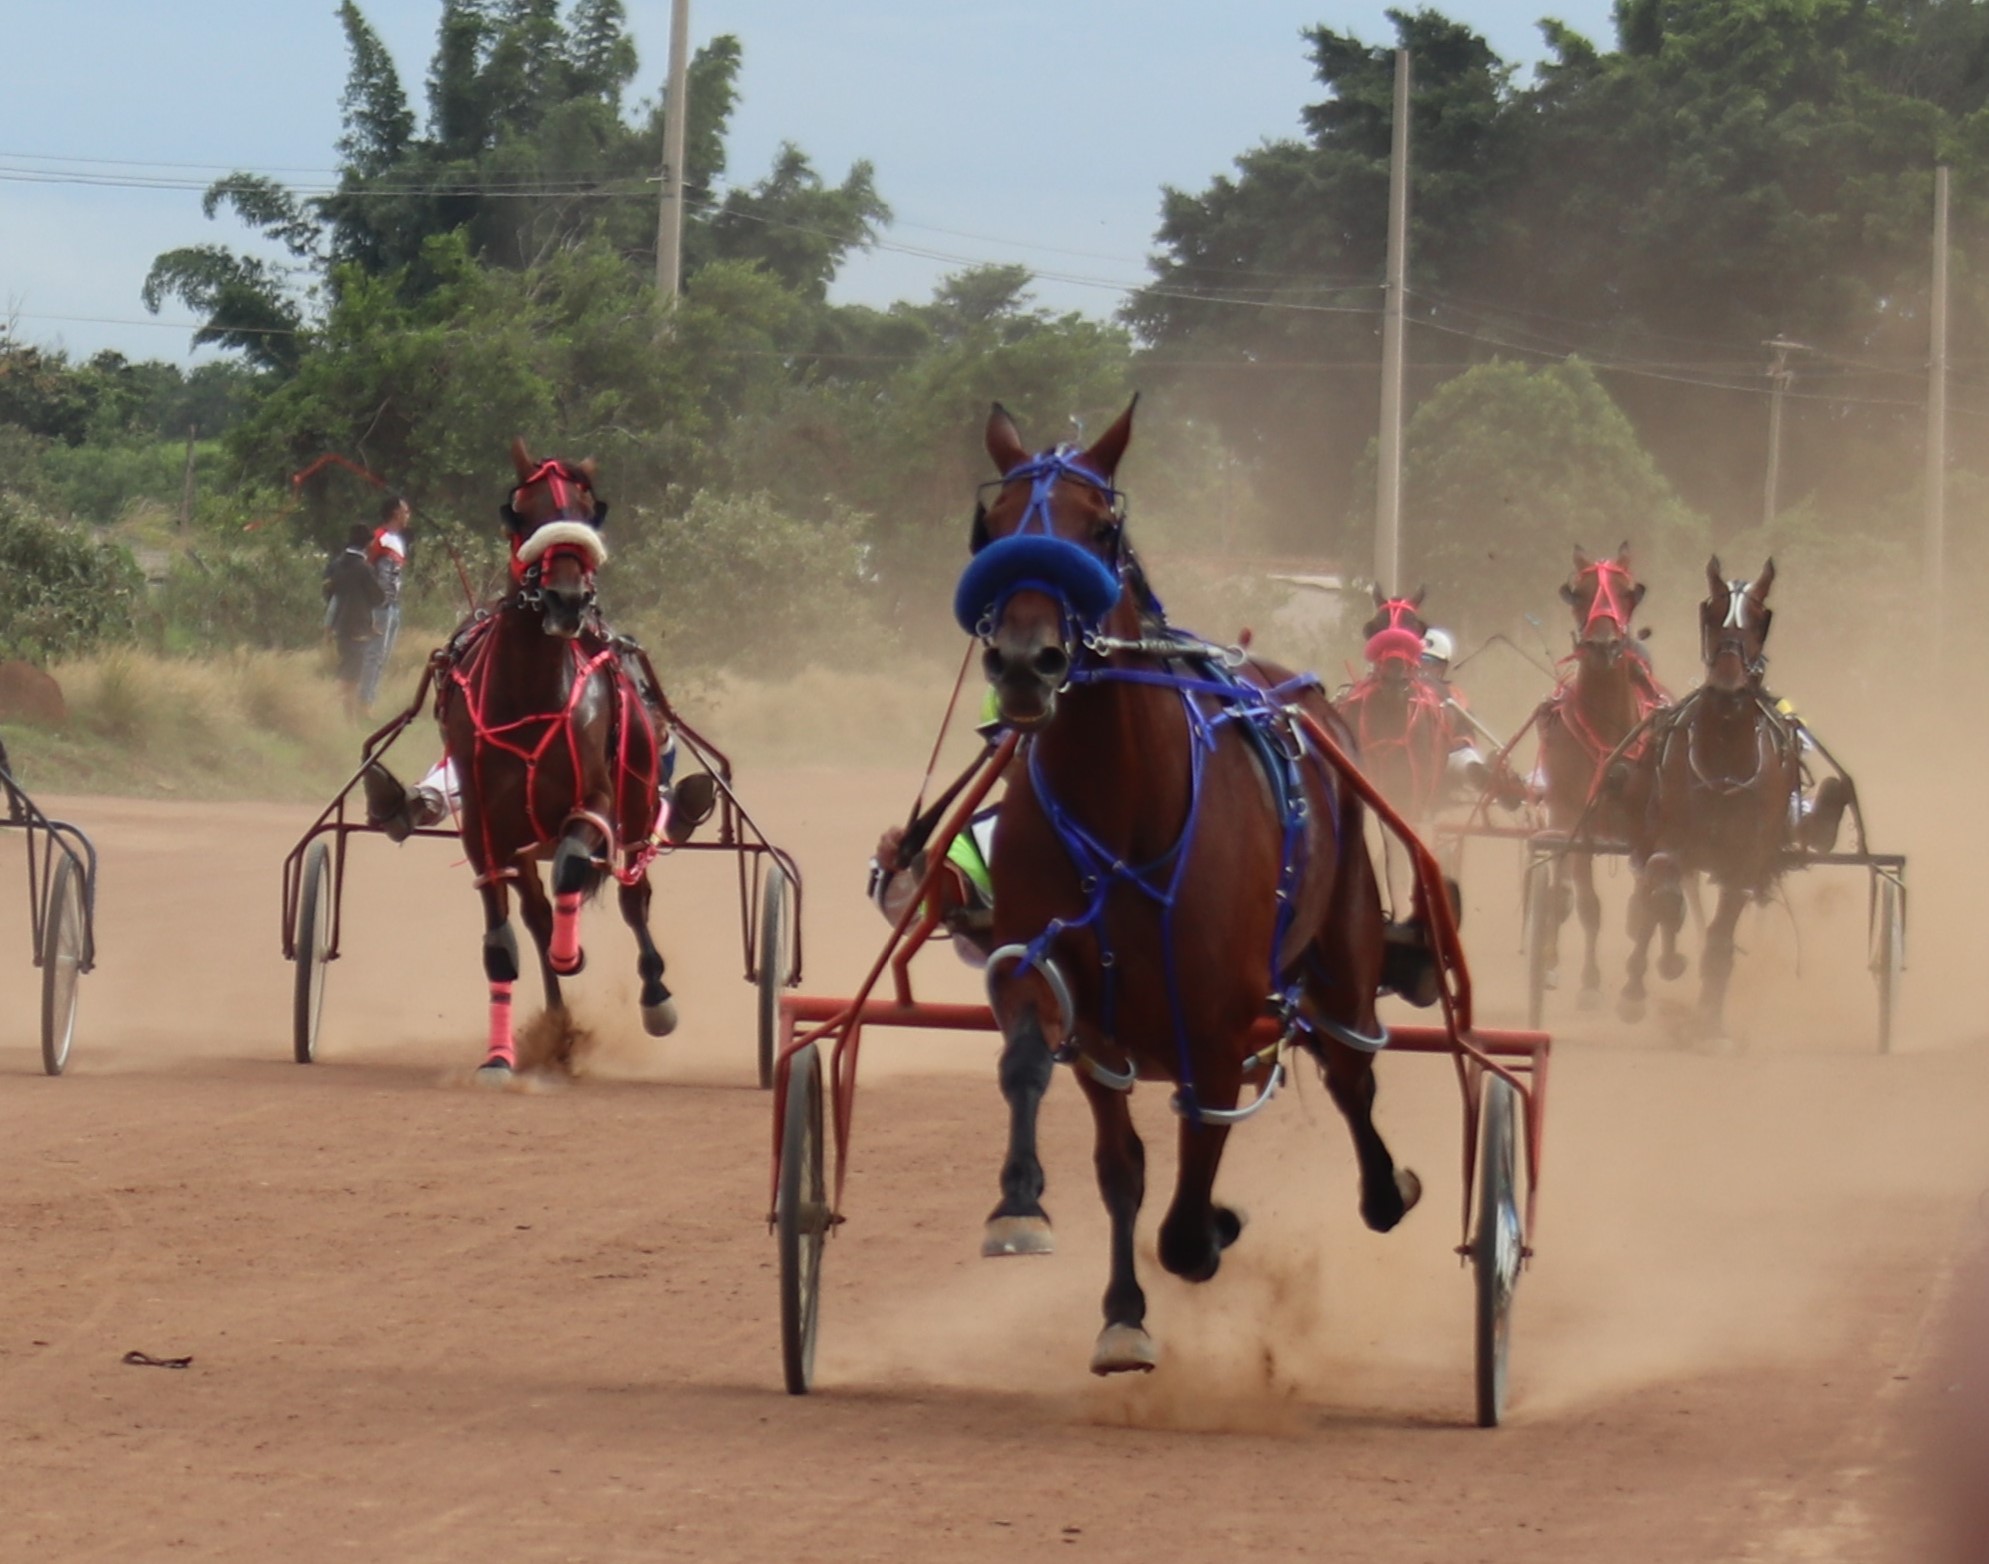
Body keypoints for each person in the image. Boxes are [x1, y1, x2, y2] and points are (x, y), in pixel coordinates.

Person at [867, 693, 1009, 966]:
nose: (1025, 751)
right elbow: (909, 915)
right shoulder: (978, 836)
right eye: (1005, 738)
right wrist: (894, 870)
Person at [323, 523, 385, 723]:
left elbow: (330, 597)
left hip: (340, 627)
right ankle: (320, 706)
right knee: (351, 679)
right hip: (358, 628)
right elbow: (378, 597)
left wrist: (328, 628)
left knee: (348, 673)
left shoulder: (335, 565)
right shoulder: (364, 568)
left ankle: (350, 722)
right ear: (368, 543)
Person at [358, 494, 410, 713]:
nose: (408, 515)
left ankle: (369, 699)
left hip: (393, 605)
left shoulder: (398, 541)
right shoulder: (379, 538)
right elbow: (365, 567)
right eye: (405, 511)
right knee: (374, 654)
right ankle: (363, 702)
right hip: (379, 605)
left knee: (383, 655)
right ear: (395, 513)